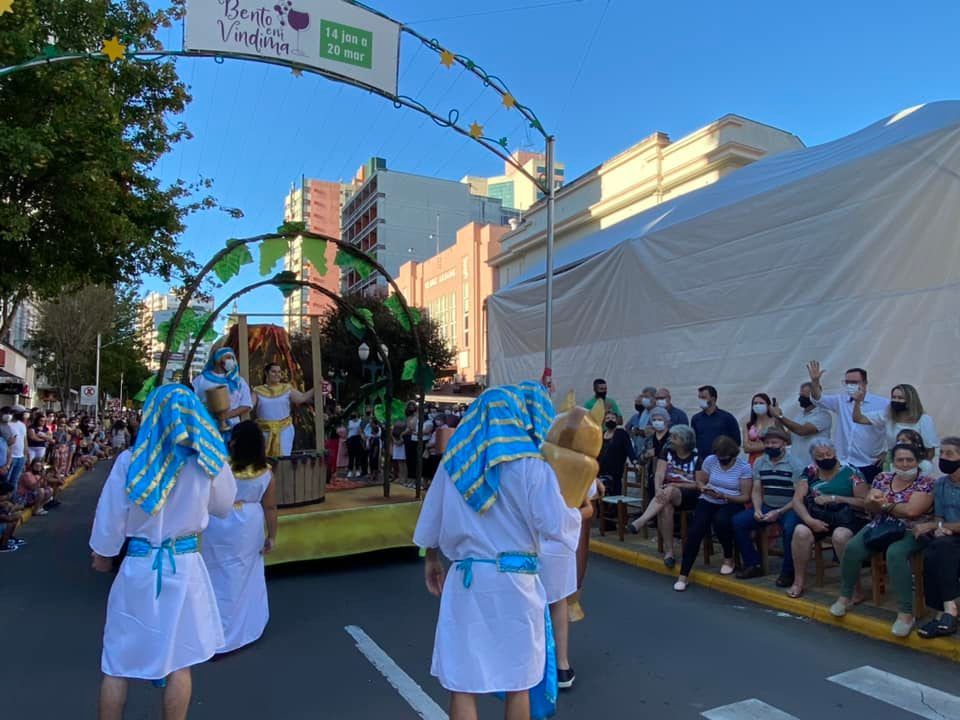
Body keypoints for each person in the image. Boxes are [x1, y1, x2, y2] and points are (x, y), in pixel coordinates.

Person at [414, 382, 582, 720]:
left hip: (467, 581)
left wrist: (431, 558)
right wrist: (578, 512)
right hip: (517, 584)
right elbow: (555, 526)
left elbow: (431, 520)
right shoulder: (532, 466)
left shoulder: (454, 464)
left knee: (464, 683)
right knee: (518, 682)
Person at [89, 385, 237, 720]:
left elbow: (110, 520)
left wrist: (103, 554)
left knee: (117, 664)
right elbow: (225, 506)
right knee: (180, 663)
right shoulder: (207, 460)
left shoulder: (130, 460)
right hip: (185, 569)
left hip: (138, 568)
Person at [829, 443, 934, 637]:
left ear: (918, 461)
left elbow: (912, 511)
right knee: (852, 548)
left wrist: (884, 503)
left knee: (895, 552)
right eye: (899, 460)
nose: (904, 464)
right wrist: (878, 503)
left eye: (909, 460)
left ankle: (905, 613)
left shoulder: (925, 482)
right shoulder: (882, 478)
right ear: (892, 462)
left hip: (914, 529)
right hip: (881, 526)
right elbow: (870, 504)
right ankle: (845, 596)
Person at [202, 420, 277, 654]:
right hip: (249, 525)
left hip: (217, 522)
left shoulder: (218, 467)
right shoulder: (266, 473)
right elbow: (271, 508)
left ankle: (210, 632)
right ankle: (241, 631)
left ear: (233, 442)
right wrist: (272, 535)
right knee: (244, 576)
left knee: (214, 575)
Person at [788, 439, 868, 598]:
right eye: (820, 456)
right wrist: (809, 520)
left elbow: (864, 502)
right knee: (800, 531)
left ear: (835, 453)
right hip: (820, 517)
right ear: (814, 458)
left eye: (828, 454)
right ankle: (798, 582)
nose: (825, 458)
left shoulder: (852, 472)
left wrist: (835, 498)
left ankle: (853, 588)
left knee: (840, 536)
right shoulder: (810, 472)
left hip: (848, 518)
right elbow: (797, 500)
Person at [674, 436, 753, 591]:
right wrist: (703, 488)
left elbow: (745, 496)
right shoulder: (710, 460)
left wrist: (725, 496)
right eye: (720, 458)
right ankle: (683, 575)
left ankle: (728, 557)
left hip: (731, 501)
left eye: (725, 459)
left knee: (721, 520)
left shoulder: (744, 467)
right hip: (709, 498)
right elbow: (700, 480)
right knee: (695, 531)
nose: (722, 461)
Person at [733, 427, 806, 585]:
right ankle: (754, 564)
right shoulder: (760, 462)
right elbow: (757, 489)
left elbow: (798, 496)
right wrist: (758, 509)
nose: (771, 446)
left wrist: (779, 512)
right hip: (767, 505)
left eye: (774, 442)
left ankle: (788, 572)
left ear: (784, 444)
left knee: (790, 529)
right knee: (738, 522)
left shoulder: (795, 464)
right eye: (767, 443)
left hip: (790, 508)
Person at [627, 424, 699, 567]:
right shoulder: (667, 451)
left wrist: (675, 485)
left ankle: (641, 521)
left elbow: (698, 484)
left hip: (688, 493)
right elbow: (659, 473)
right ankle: (669, 552)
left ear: (684, 441)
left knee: (670, 490)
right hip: (667, 492)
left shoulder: (697, 457)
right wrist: (658, 489)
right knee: (666, 507)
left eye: (674, 437)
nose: (670, 439)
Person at [806, 361, 888, 484]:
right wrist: (815, 381)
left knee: (866, 498)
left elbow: (896, 428)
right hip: (843, 462)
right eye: (847, 382)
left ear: (865, 384)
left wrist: (888, 452)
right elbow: (818, 399)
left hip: (869, 463)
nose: (850, 385)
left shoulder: (883, 403)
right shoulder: (841, 400)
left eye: (854, 382)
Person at [915, 437, 960, 639]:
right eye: (941, 453)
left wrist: (937, 526)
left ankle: (941, 613)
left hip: (954, 538)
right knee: (935, 549)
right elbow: (939, 516)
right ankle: (948, 610)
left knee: (939, 549)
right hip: (949, 539)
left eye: (949, 454)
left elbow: (938, 522)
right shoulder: (941, 484)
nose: (943, 458)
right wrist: (940, 527)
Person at [852, 383, 937, 463]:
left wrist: (918, 468)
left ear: (910, 401)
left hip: (915, 466)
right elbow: (858, 419)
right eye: (894, 397)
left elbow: (930, 451)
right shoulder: (887, 415)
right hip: (893, 464)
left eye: (900, 398)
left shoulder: (923, 420)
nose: (896, 400)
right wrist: (857, 402)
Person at [251, 362, 314, 457]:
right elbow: (248, 406)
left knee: (284, 457)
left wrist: (316, 387)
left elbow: (302, 398)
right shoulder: (258, 390)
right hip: (263, 430)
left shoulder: (287, 388)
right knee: (263, 459)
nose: (277, 374)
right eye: (273, 372)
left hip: (284, 429)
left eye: (279, 372)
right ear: (266, 373)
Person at [192, 347, 253, 439]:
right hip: (207, 427)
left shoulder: (237, 381)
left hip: (233, 428)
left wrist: (226, 415)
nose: (231, 360)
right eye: (227, 357)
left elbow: (246, 404)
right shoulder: (201, 379)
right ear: (217, 359)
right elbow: (192, 401)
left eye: (232, 358)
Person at [772, 382, 832, 465]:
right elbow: (788, 439)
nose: (800, 398)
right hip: (796, 465)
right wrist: (778, 421)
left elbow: (802, 431)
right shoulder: (799, 415)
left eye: (804, 396)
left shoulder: (823, 414)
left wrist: (781, 417)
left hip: (814, 466)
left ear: (814, 396)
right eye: (800, 395)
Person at [690, 386, 741, 466]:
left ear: (713, 398)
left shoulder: (727, 418)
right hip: (702, 461)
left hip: (723, 461)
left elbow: (736, 441)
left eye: (703, 397)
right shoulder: (696, 419)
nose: (700, 400)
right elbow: (693, 441)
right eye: (699, 398)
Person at [597, 412, 637, 498]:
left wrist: (634, 461)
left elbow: (629, 449)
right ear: (604, 421)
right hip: (599, 471)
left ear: (617, 421)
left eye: (613, 418)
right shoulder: (601, 434)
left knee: (613, 494)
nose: (610, 420)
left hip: (614, 473)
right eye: (607, 418)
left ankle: (614, 510)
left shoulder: (622, 434)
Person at [742, 393, 776, 465]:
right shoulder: (748, 424)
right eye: (755, 403)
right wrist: (767, 445)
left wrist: (753, 445)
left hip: (771, 461)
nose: (758, 405)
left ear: (768, 405)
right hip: (753, 462)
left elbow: (778, 444)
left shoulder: (775, 422)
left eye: (761, 403)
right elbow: (746, 448)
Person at [625, 386, 657, 454]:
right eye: (644, 397)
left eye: (647, 397)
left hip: (651, 450)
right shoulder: (644, 412)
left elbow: (652, 432)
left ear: (654, 398)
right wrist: (634, 436)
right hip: (639, 449)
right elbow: (629, 428)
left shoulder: (658, 412)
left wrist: (639, 432)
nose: (644, 399)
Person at [6, 407, 26, 494]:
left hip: (20, 457)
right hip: (10, 457)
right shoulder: (7, 425)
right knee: (6, 481)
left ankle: (12, 500)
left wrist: (25, 454)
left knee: (15, 481)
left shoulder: (22, 424)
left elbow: (25, 440)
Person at [0, 482, 23, 553]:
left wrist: (12, 508)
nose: (9, 495)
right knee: (9, 523)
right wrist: (15, 514)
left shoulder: (6, 502)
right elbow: (7, 518)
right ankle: (3, 546)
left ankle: (8, 538)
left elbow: (21, 506)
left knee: (14, 518)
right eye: (7, 494)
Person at [346, 412, 365, 478]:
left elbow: (361, 430)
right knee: (351, 456)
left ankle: (357, 470)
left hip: (357, 438)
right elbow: (347, 431)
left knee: (357, 456)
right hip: (350, 439)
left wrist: (362, 437)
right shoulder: (349, 422)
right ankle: (350, 471)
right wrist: (346, 439)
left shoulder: (360, 421)